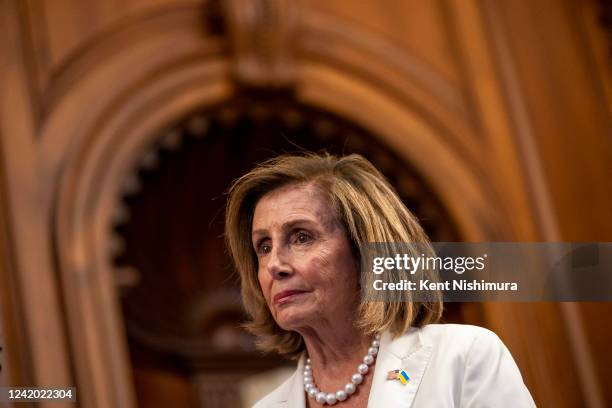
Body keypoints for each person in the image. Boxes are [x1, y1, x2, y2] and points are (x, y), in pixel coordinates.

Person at [225, 153, 535, 407]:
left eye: (302, 237)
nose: (274, 264)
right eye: (263, 246)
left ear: (363, 251)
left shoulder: (463, 356)